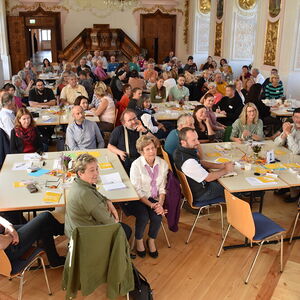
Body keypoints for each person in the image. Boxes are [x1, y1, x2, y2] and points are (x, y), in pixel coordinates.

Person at [64, 154, 131, 240]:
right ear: (80, 173)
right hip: (85, 237)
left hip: (76, 229)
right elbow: (109, 221)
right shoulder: (86, 194)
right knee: (125, 230)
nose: (96, 173)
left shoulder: (78, 183)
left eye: (96, 169)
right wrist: (116, 222)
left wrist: (107, 201)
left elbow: (96, 194)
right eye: (92, 170)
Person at [128, 135, 168, 258]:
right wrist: (151, 205)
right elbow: (138, 190)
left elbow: (162, 187)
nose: (152, 151)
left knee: (157, 217)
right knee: (143, 216)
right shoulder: (136, 165)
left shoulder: (163, 164)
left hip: (155, 197)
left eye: (153, 148)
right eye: (147, 149)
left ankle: (151, 240)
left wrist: (160, 204)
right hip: (138, 198)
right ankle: (139, 240)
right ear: (141, 152)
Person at [173, 127, 233, 205]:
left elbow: (200, 162)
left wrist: (221, 165)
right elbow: (208, 178)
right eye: (193, 140)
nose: (198, 142)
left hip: (195, 188)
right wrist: (226, 170)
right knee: (231, 187)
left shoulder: (179, 150)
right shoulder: (188, 162)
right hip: (202, 192)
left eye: (197, 139)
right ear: (183, 142)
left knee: (223, 180)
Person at [1, 212, 65, 268]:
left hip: (4, 237)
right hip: (8, 249)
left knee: (44, 224)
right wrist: (11, 236)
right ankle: (65, 230)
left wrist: (9, 226)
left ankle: (55, 261)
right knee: (45, 217)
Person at [108, 109, 148, 173]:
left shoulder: (143, 129)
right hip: (126, 163)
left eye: (134, 118)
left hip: (142, 162)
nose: (133, 122)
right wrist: (119, 152)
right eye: (130, 120)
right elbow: (110, 146)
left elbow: (157, 144)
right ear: (124, 123)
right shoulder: (119, 130)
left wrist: (145, 131)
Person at [274, 108, 300, 202]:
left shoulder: (290, 130)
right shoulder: (291, 126)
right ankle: (287, 186)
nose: (298, 120)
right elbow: (276, 143)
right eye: (296, 117)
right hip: (290, 156)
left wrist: (288, 133)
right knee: (275, 161)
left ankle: (295, 192)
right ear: (292, 118)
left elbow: (296, 150)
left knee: (292, 166)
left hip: (298, 159)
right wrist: (284, 134)